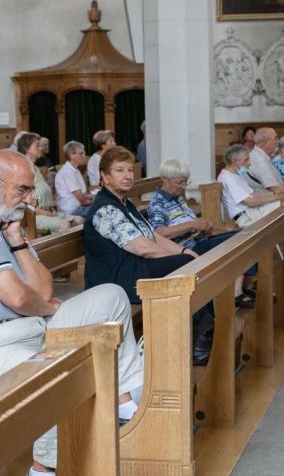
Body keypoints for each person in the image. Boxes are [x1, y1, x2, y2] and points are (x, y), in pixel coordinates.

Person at [0, 149, 144, 476]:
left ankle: (125, 403)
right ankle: (43, 472)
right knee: (53, 371)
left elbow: (42, 288)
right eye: (23, 190)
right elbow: (17, 295)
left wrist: (17, 241)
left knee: (111, 297)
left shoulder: (1, 220)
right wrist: (46, 308)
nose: (30, 200)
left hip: (28, 327)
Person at [83, 147, 214, 364]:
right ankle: (199, 342)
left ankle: (201, 335)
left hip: (135, 269)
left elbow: (152, 236)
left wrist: (183, 251)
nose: (127, 176)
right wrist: (181, 259)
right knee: (187, 267)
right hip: (118, 281)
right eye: (119, 171)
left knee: (192, 260)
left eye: (129, 170)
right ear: (104, 177)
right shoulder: (105, 209)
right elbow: (143, 248)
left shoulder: (125, 203)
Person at [147, 158, 255, 308]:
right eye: (180, 183)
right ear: (165, 179)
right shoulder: (157, 204)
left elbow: (188, 222)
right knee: (235, 242)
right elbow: (159, 233)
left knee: (243, 235)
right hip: (187, 249)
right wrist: (193, 224)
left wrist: (204, 226)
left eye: (186, 182)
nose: (184, 186)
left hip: (201, 239)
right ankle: (236, 292)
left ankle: (241, 287)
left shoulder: (178, 197)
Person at [16, 132, 81, 235]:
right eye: (37, 145)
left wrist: (51, 210)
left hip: (47, 212)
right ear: (26, 148)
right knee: (64, 225)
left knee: (79, 220)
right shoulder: (22, 169)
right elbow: (24, 203)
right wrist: (47, 213)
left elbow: (44, 194)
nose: (41, 148)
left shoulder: (35, 168)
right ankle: (55, 251)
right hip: (32, 216)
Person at [219, 144, 284, 227]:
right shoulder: (227, 178)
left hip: (252, 212)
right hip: (245, 217)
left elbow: (256, 195)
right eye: (246, 160)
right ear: (236, 161)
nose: (249, 163)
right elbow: (250, 202)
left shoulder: (236, 175)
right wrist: (279, 196)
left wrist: (278, 194)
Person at [248, 128, 284, 197]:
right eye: (275, 138)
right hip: (266, 201)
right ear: (265, 143)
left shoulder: (261, 155)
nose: (278, 141)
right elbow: (275, 188)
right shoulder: (259, 160)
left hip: (273, 196)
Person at [54, 141, 93, 217]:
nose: (84, 156)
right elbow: (82, 199)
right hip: (71, 211)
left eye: (84, 153)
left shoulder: (75, 170)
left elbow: (83, 195)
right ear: (72, 155)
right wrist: (94, 200)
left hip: (78, 207)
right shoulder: (67, 172)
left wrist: (93, 198)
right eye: (81, 153)